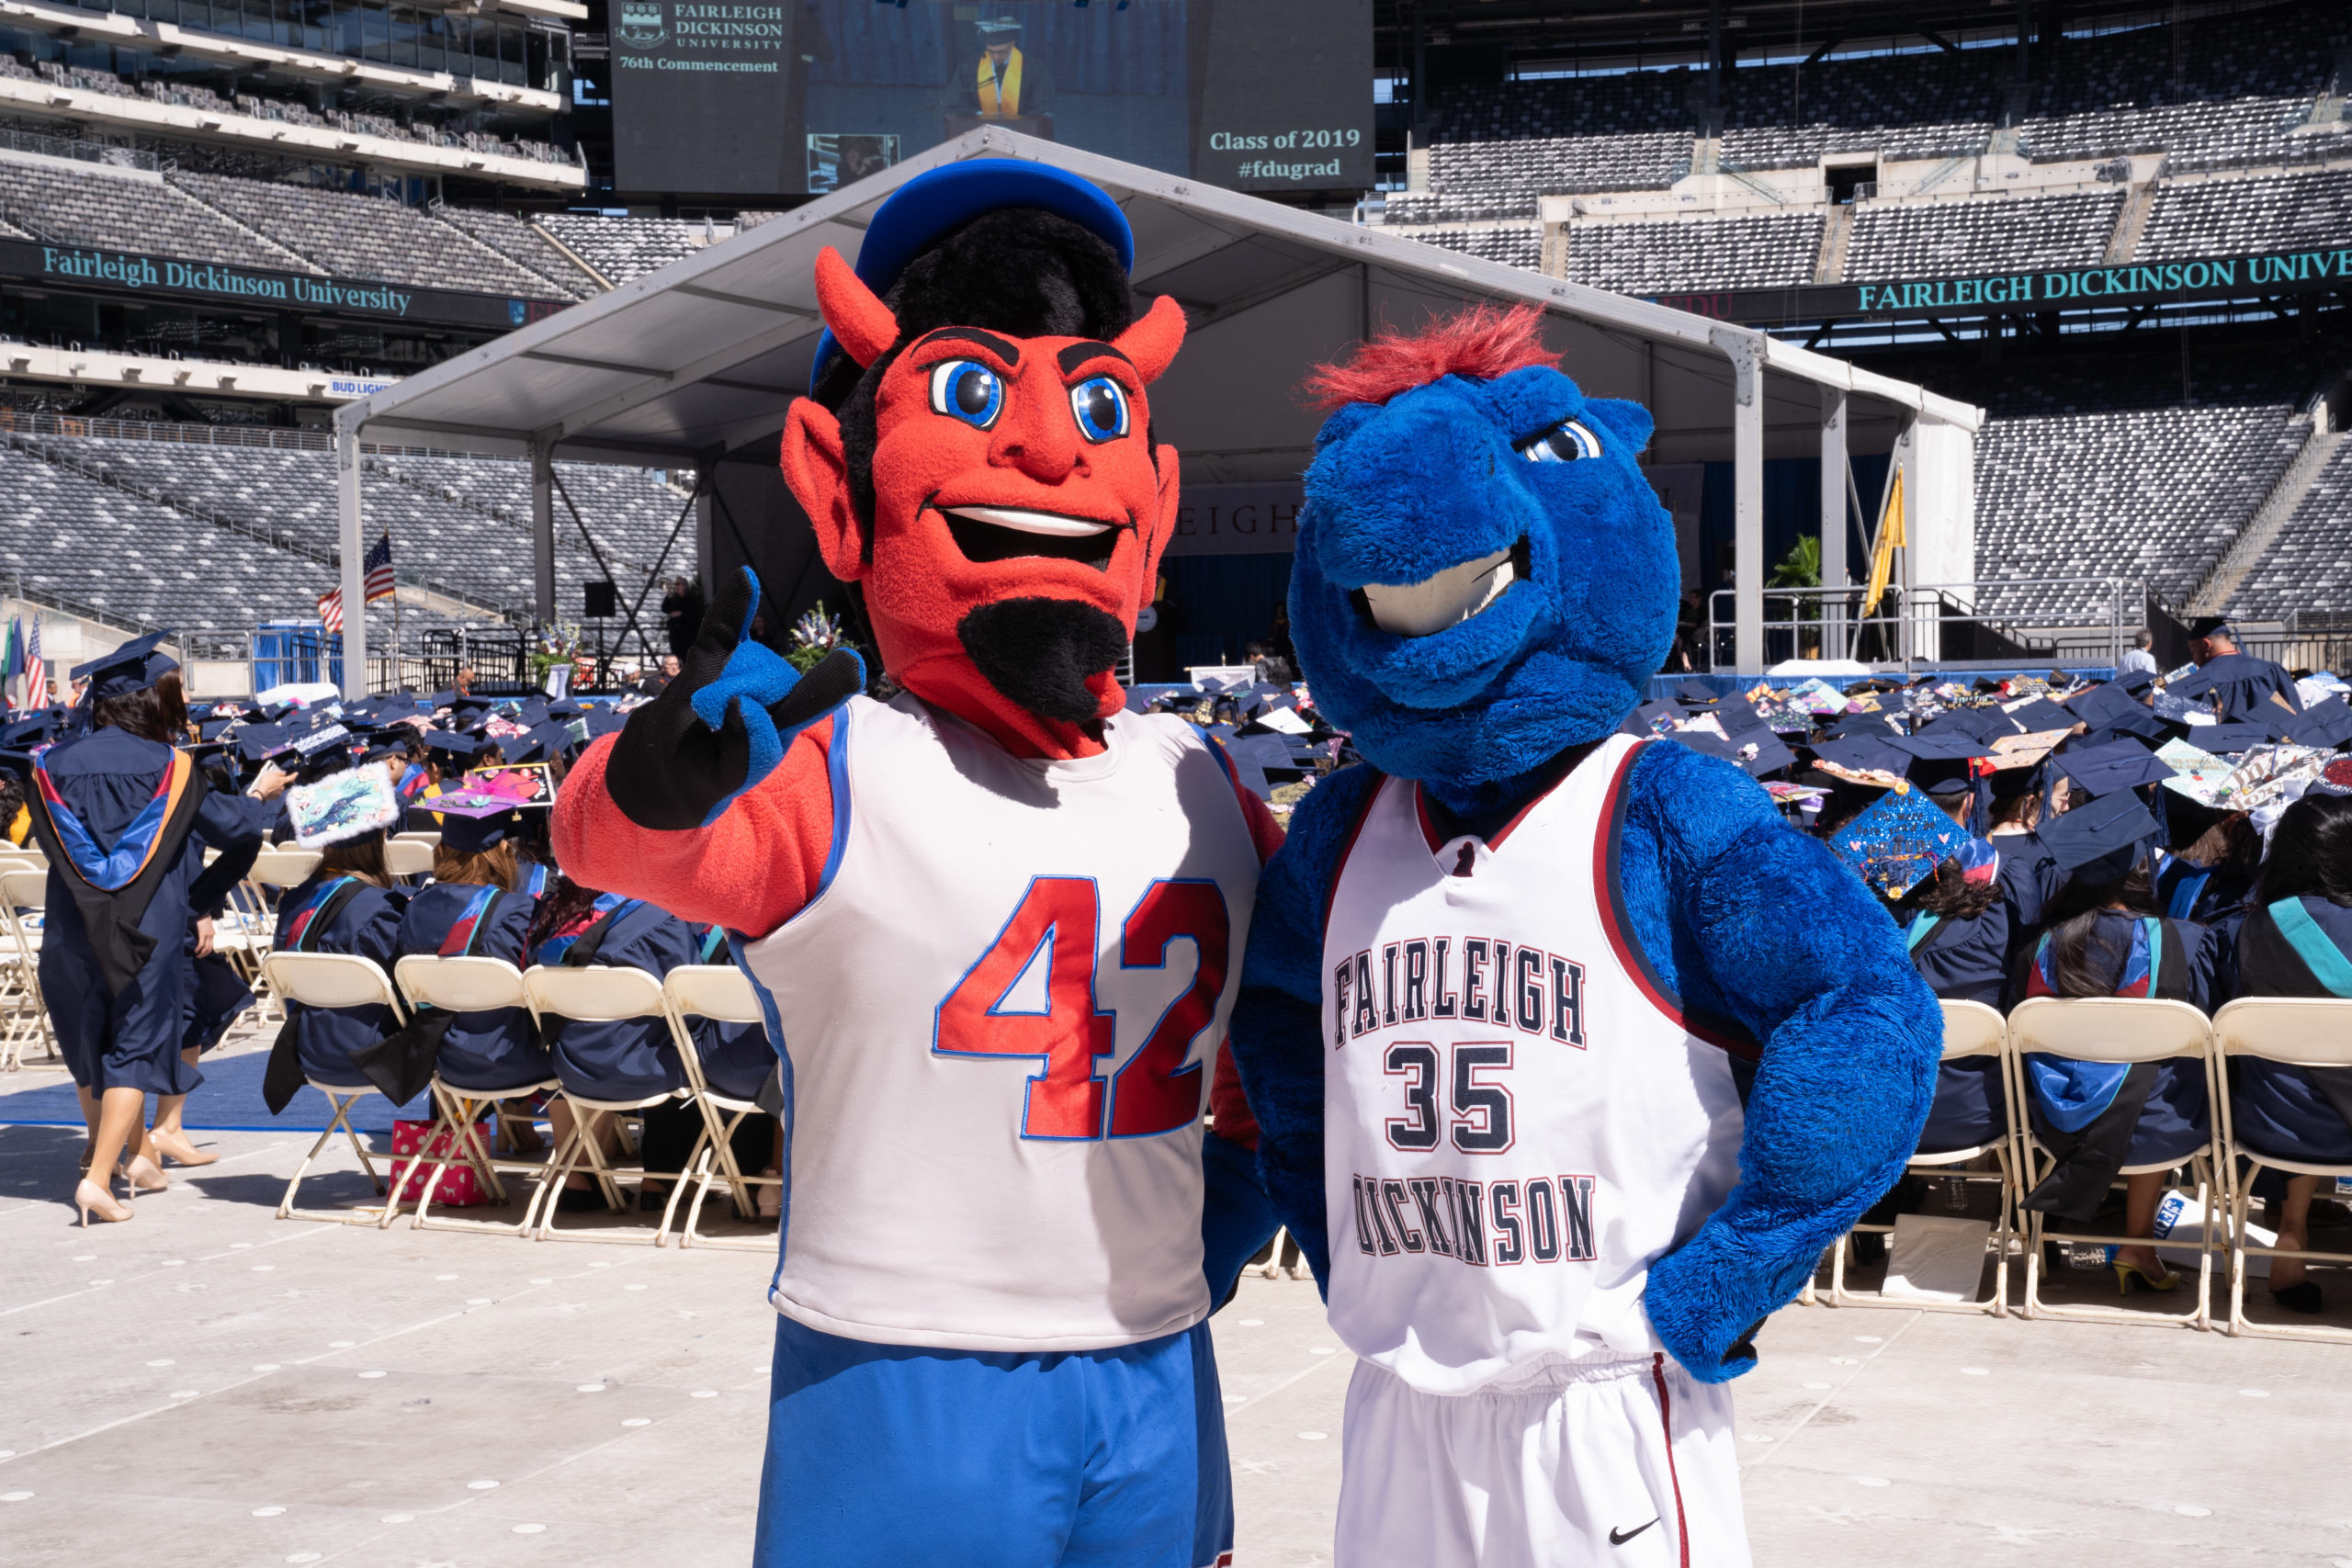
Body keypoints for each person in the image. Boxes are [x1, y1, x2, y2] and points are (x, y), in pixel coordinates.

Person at [553, 163, 1274, 1568]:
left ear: (1158, 498)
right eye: (968, 397)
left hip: (1157, 1365)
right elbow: (617, 841)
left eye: (1099, 406)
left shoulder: (1204, 780)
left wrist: (1226, 1217)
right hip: (900, 1365)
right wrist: (656, 763)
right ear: (844, 483)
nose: (1055, 454)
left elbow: (1265, 1046)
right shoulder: (838, 765)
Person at [15, 636, 281, 1224]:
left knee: (88, 1041)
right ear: (151, 699)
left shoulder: (51, 765)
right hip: (148, 929)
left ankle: (125, 1156)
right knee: (133, 1048)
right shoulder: (173, 768)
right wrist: (202, 897)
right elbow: (236, 833)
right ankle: (96, 1182)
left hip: (71, 927)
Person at [2013, 795, 2222, 1295]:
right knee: (2161, 1074)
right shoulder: (2187, 942)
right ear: (2142, 871)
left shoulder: (2039, 947)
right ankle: (2138, 1242)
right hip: (2160, 1130)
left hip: (2054, 1127)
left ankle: (2045, 1242)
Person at [2224, 789, 2352, 1315]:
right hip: (2341, 1125)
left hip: (2272, 1122)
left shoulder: (2251, 927)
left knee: (2300, 1072)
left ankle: (2291, 1233)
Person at [391, 810, 555, 1135]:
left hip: (442, 1062)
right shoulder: (521, 911)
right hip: (515, 1058)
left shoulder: (414, 908)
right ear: (505, 853)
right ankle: (577, 1166)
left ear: (440, 851)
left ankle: (460, 1141)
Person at [2175, 615, 2302, 724]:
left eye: (2193, 651)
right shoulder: (2270, 671)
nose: (2194, 659)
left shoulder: (2197, 683)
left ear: (2206, 645)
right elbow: (2297, 721)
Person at [964, 15, 1052, 121]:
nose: (996, 57)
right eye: (991, 51)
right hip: (981, 124)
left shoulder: (1033, 67)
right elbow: (955, 101)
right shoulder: (971, 66)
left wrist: (1015, 119)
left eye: (1002, 52)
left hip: (1020, 127)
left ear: (1012, 44)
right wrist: (983, 115)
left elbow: (1042, 105)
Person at [661, 579, 705, 660]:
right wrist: (668, 596)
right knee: (676, 653)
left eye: (678, 584)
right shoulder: (674, 598)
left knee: (686, 654)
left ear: (684, 586)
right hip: (675, 631)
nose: (676, 586)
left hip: (687, 632)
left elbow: (696, 614)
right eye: (675, 584)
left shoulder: (690, 599)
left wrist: (681, 614)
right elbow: (664, 608)